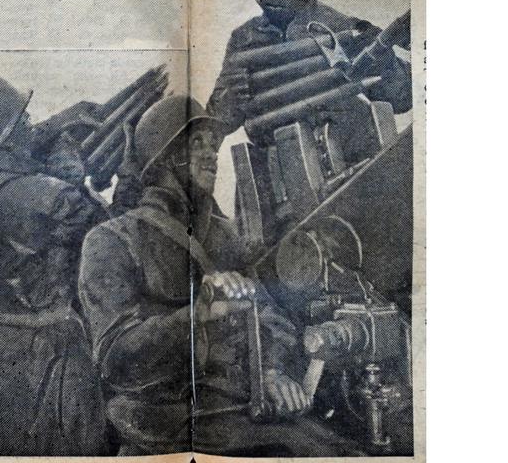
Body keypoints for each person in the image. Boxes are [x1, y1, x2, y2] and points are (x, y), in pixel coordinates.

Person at [79, 96, 362, 456]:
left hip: (236, 406)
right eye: (197, 143)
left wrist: (272, 370)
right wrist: (198, 314)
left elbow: (269, 315)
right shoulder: (111, 241)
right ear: (165, 158)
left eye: (214, 143)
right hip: (161, 418)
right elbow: (114, 359)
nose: (212, 153)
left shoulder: (223, 234)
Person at [0, 74, 107, 456]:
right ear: (8, 134)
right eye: (23, 119)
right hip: (46, 350)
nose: (32, 123)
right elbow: (108, 231)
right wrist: (71, 169)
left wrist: (57, 124)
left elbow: (6, 153)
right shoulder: (46, 195)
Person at [206, 0, 412, 132]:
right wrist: (230, 100)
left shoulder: (339, 27)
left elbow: (401, 99)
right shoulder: (244, 39)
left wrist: (383, 63)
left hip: (350, 151)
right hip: (278, 155)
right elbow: (217, 124)